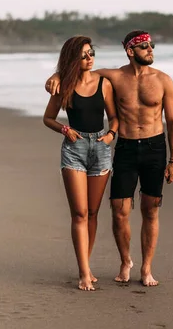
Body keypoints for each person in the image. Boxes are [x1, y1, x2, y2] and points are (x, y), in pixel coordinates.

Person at [45, 30, 173, 286]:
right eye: (144, 46)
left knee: (150, 209)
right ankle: (125, 261)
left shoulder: (164, 80)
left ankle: (147, 268)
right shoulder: (113, 77)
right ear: (130, 51)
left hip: (154, 148)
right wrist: (57, 75)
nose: (150, 49)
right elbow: (80, 73)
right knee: (119, 210)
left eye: (151, 45)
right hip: (126, 148)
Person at [43, 35, 118, 291]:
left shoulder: (104, 83)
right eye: (84, 54)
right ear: (73, 58)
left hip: (100, 147)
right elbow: (48, 118)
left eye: (91, 52)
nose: (89, 58)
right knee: (80, 213)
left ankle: (86, 262)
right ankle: (84, 272)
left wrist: (110, 135)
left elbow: (114, 117)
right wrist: (65, 130)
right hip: (73, 149)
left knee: (94, 212)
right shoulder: (63, 85)